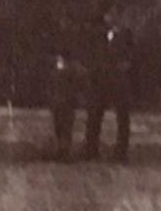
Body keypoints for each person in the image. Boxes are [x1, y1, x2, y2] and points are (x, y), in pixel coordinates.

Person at [83, 13, 137, 162]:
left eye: (114, 16)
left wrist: (123, 68)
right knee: (94, 116)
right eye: (108, 16)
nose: (111, 19)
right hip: (100, 81)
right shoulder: (99, 36)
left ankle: (121, 152)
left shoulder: (126, 36)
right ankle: (91, 150)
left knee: (122, 118)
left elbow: (132, 57)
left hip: (119, 82)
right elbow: (93, 55)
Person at [48, 43, 89, 161]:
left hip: (66, 100)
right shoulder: (73, 68)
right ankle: (62, 149)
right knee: (62, 126)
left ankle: (63, 150)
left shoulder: (71, 68)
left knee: (64, 126)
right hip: (63, 100)